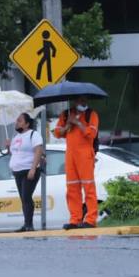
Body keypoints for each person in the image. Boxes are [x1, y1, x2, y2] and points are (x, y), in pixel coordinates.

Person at [53, 95, 99, 230]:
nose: (83, 102)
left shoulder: (91, 114)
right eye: (80, 100)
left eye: (85, 100)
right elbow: (57, 133)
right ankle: (75, 219)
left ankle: (90, 219)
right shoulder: (66, 114)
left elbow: (92, 134)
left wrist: (78, 123)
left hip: (85, 153)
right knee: (72, 188)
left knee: (88, 187)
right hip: (70, 154)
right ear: (75, 101)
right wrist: (69, 123)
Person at [6, 113, 44, 232]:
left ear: (27, 124)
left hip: (29, 170)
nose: (16, 123)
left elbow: (38, 151)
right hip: (17, 171)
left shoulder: (33, 134)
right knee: (23, 198)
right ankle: (26, 223)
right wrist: (8, 147)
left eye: (20, 121)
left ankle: (29, 225)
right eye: (17, 121)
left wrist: (33, 168)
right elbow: (14, 153)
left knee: (26, 196)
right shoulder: (16, 137)